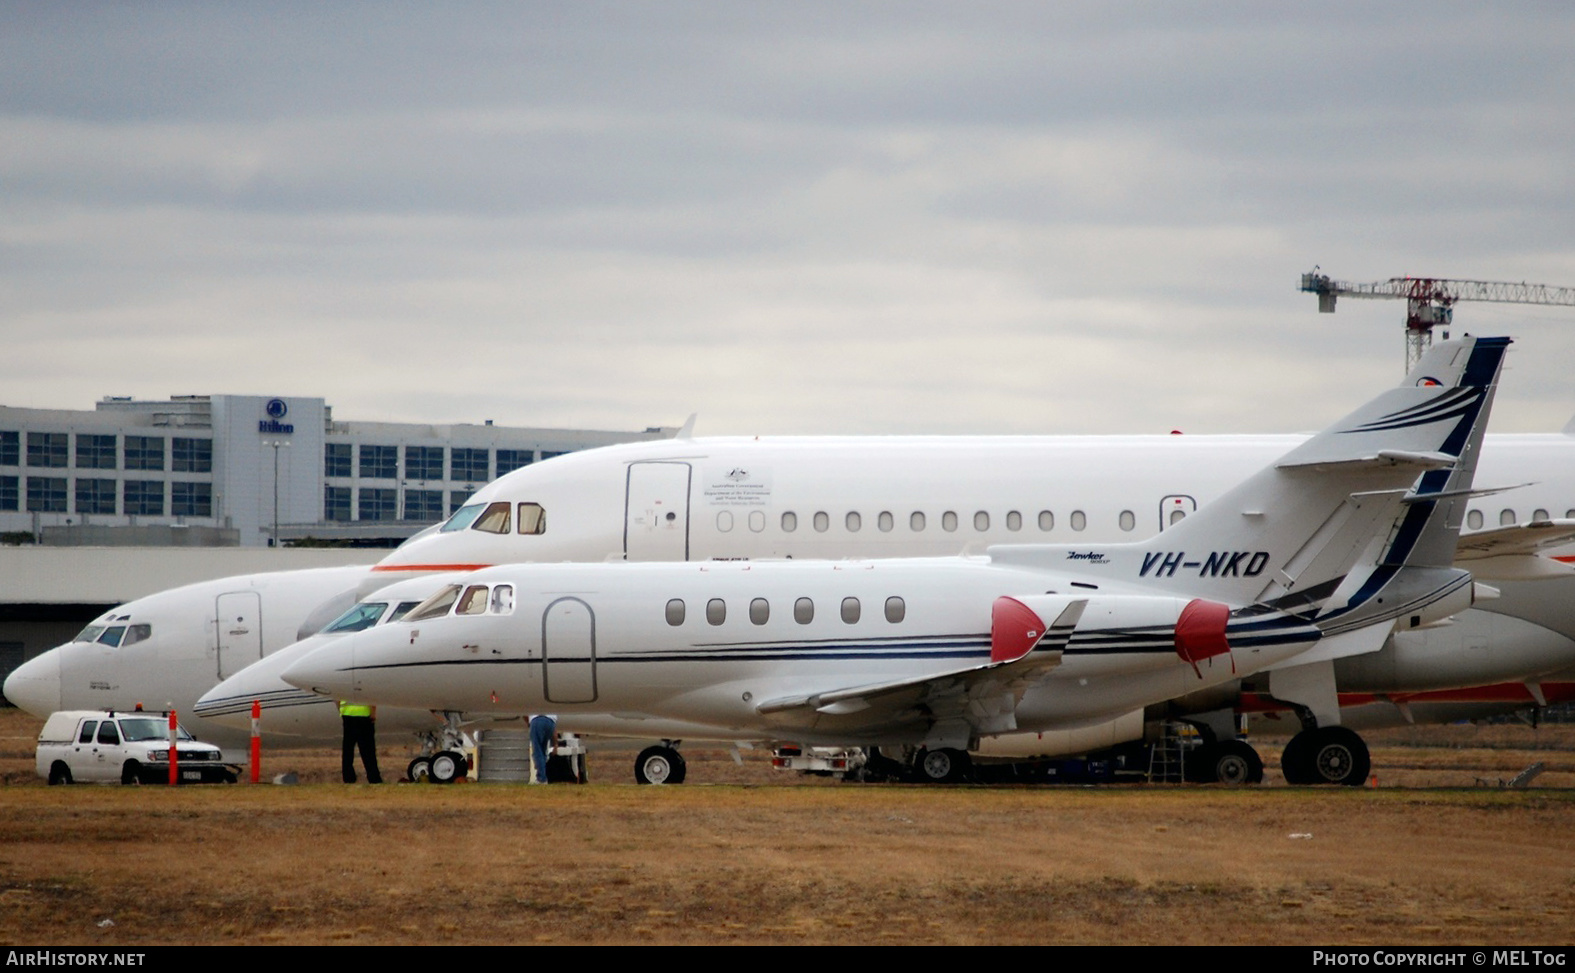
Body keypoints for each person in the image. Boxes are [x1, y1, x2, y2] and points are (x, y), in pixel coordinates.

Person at [340, 700, 381, 784]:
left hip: (348, 715)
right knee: (368, 750)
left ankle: (348, 778)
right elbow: (370, 698)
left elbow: (336, 699)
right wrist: (373, 713)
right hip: (364, 716)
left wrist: (342, 712)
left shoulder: (344, 687)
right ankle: (374, 778)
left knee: (348, 750)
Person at [528, 713, 557, 784]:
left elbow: (523, 714)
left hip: (537, 720)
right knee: (543, 751)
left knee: (537, 750)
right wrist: (555, 744)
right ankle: (542, 775)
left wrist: (529, 724)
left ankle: (541, 779)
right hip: (551, 722)